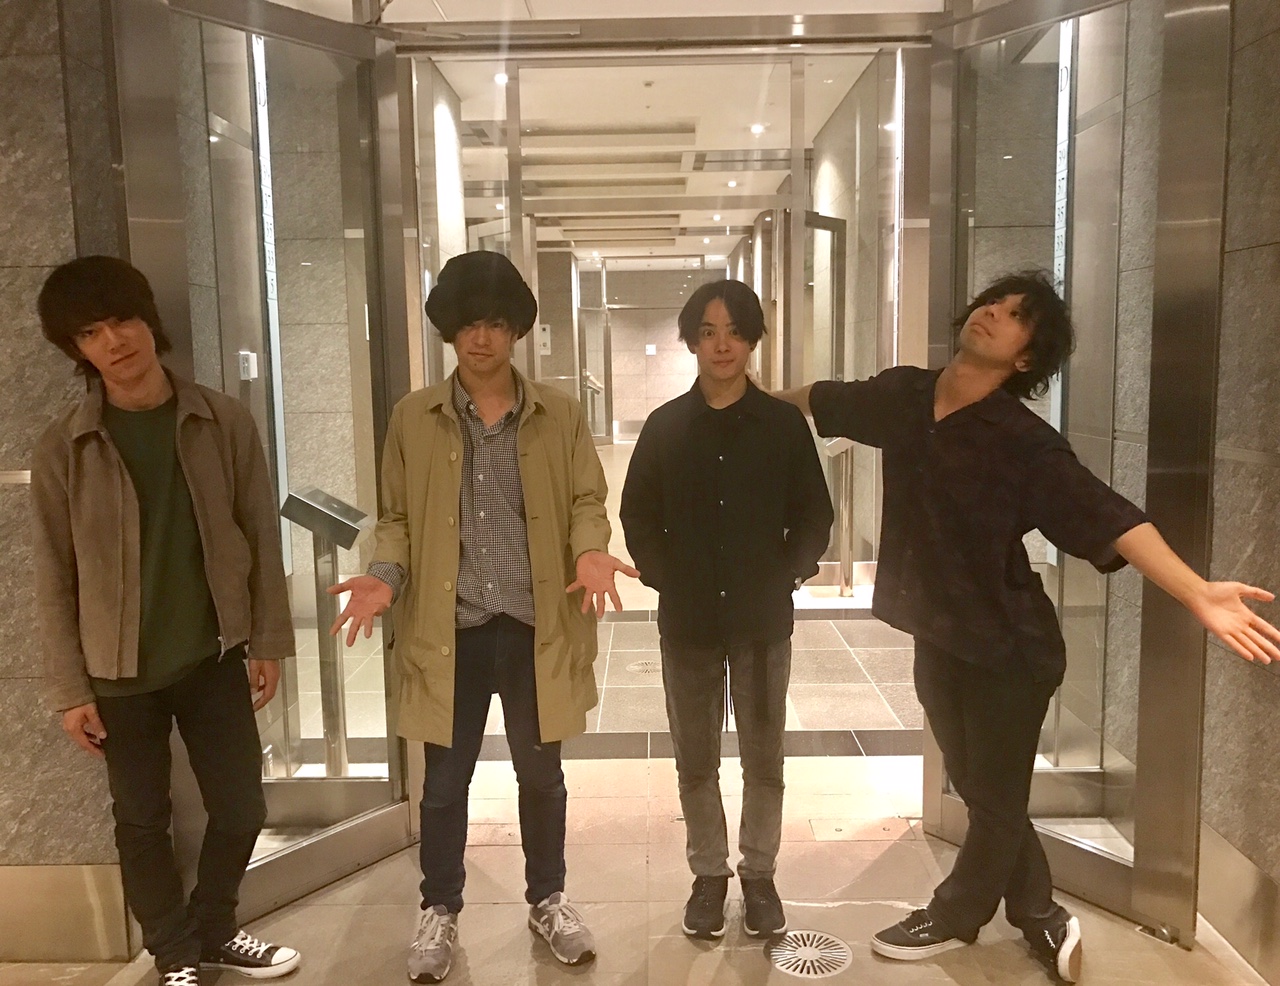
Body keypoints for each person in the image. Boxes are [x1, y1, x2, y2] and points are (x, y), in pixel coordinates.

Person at [775, 269, 1280, 983]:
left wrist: (1196, 591)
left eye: (1015, 316)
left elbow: (1111, 517)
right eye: (991, 302)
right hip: (939, 634)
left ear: (1025, 359)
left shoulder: (1023, 442)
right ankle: (1041, 913)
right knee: (983, 789)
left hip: (1011, 648)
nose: (991, 313)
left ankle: (955, 915)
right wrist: (745, 400)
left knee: (993, 797)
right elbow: (817, 399)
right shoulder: (905, 396)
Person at [329, 250, 637, 984]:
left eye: (496, 323)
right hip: (451, 632)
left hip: (535, 627)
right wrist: (383, 578)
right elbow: (397, 519)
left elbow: (586, 499)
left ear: (516, 329)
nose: (482, 338)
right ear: (449, 329)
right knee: (444, 783)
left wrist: (591, 550)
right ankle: (440, 907)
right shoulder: (414, 418)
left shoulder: (558, 415)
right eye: (469, 323)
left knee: (543, 776)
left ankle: (548, 899)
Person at [32, 256, 301, 986]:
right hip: (117, 671)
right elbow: (53, 575)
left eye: (122, 320)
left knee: (241, 807)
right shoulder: (64, 447)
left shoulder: (221, 420)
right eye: (90, 332)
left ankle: (214, 928)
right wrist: (69, 689)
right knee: (143, 819)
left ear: (149, 320)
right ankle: (174, 953)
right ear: (76, 349)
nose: (114, 341)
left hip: (211, 653)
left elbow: (259, 534)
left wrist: (268, 639)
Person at [620, 280, 833, 941]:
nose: (722, 344)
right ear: (692, 340)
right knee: (696, 759)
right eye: (709, 331)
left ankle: (759, 876)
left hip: (762, 621)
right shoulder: (665, 426)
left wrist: (788, 571)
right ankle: (708, 876)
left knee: (764, 760)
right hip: (687, 621)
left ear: (752, 340)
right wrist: (665, 576)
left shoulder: (783, 426)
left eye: (735, 332)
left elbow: (815, 514)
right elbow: (637, 514)